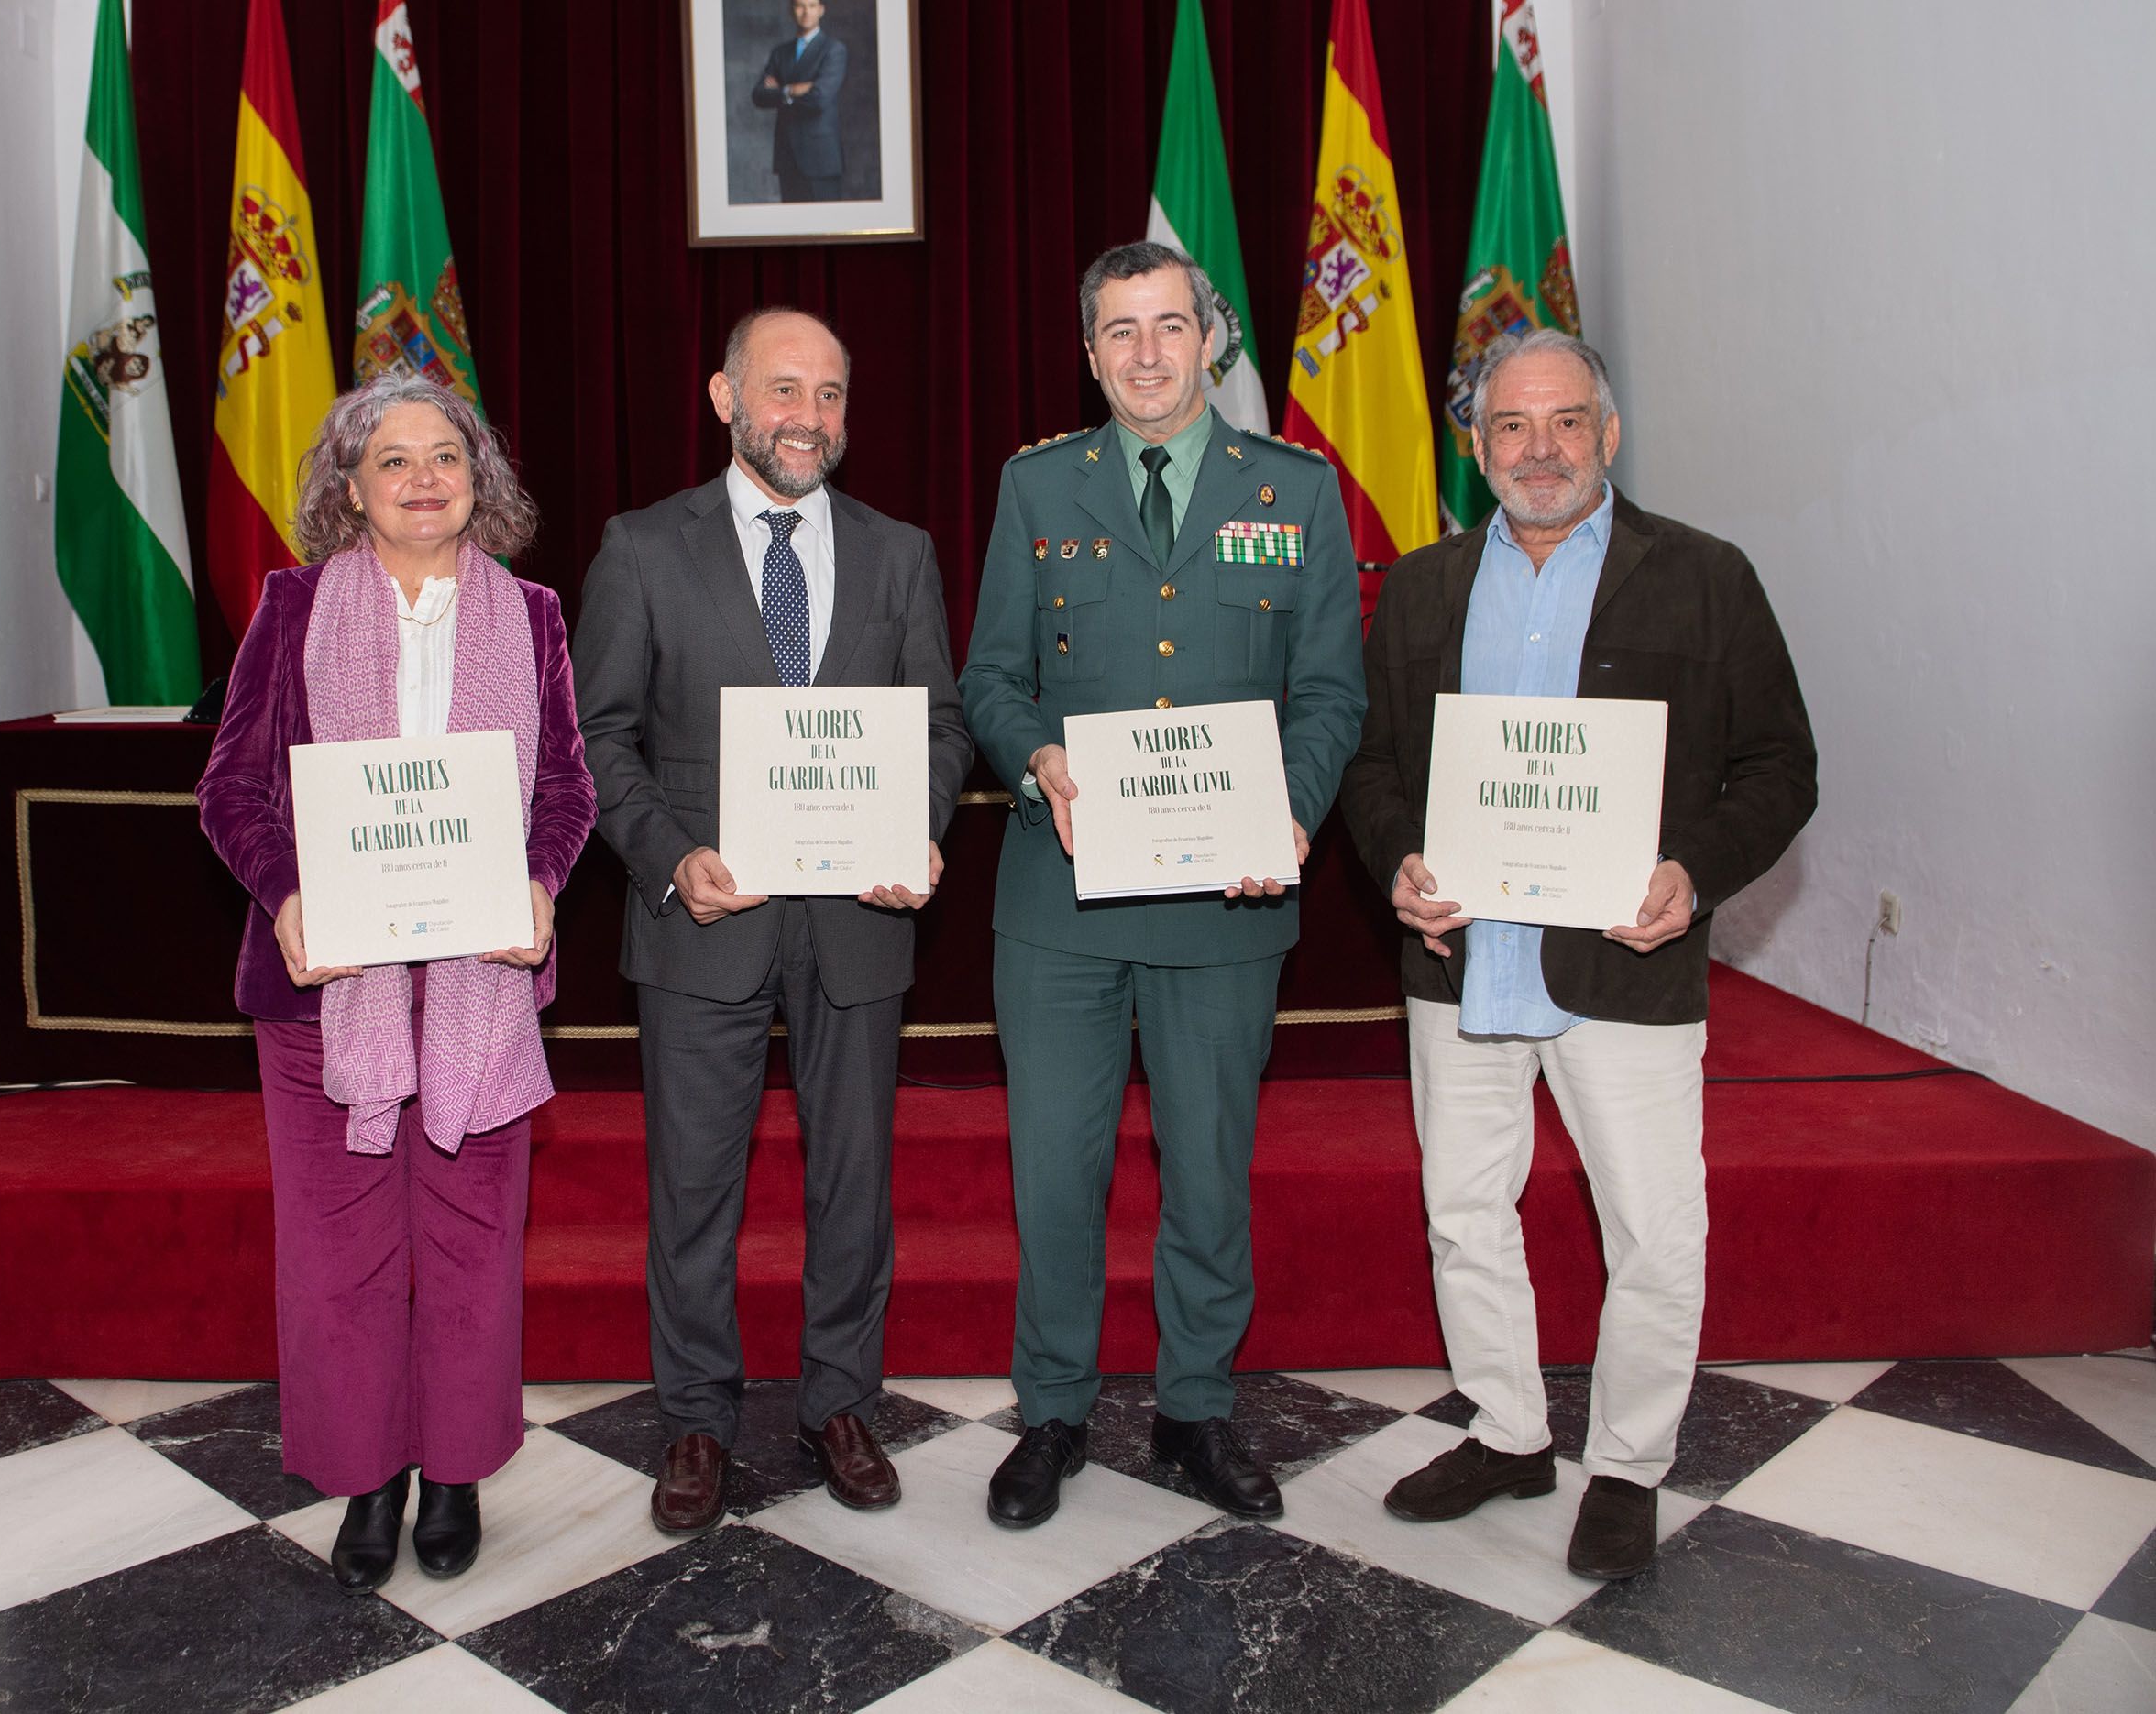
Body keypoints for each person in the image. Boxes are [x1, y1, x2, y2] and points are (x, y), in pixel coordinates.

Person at [1337, 328, 1816, 1579]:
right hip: (1463, 958)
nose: (1536, 448)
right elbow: (1374, 764)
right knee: (1461, 1208)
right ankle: (1504, 1429)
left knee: (1653, 1228)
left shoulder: (1705, 577)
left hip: (1624, 960)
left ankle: (1626, 1462)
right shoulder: (1424, 586)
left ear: (1605, 435)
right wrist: (1397, 861)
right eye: (1508, 426)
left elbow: (1777, 769)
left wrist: (1690, 872)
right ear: (1473, 445)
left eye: (1562, 422)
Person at [959, 241, 1364, 1527]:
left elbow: (1328, 695)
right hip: (1058, 897)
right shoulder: (1035, 487)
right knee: (1054, 1172)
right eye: (1118, 331)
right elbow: (988, 680)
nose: (1145, 353)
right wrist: (1031, 757)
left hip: (1226, 896)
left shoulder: (1293, 493)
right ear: (1088, 353)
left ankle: (1195, 1407)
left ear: (1211, 341)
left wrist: (1289, 814)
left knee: (1206, 1168)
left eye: (1168, 326)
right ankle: (1052, 1411)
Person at [196, 373, 596, 1594]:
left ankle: (457, 1471)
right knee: (341, 1251)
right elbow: (232, 788)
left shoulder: (530, 613)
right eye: (393, 459)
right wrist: (288, 894)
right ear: (349, 487)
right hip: (331, 990)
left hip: (476, 985)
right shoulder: (293, 605)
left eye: (446, 457)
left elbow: (565, 792)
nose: (423, 477)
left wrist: (537, 882)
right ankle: (370, 1479)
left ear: (482, 480)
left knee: (473, 1246)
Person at [573, 307, 969, 1534]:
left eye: (831, 394)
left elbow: (941, 725)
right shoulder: (640, 549)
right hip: (705, 916)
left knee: (855, 1176)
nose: (807, 415)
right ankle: (695, 1418)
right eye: (783, 388)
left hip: (858, 916)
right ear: (723, 395)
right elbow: (598, 735)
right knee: (693, 1184)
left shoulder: (898, 552)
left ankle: (840, 1402)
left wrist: (919, 826)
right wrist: (667, 857)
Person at [750, 0, 848, 202]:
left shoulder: (833, 50)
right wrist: (791, 90)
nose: (806, 12)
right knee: (792, 228)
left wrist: (779, 92)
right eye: (800, 6)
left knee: (825, 228)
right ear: (791, 11)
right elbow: (758, 95)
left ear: (821, 10)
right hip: (788, 156)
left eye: (812, 6)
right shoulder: (780, 53)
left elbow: (819, 100)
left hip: (821, 159)